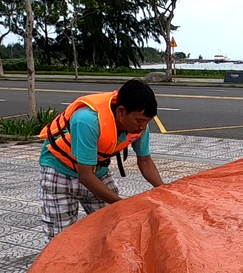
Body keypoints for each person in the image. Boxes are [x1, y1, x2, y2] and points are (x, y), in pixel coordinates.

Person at [38, 79, 165, 240]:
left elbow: (145, 161)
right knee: (60, 239)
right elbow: (85, 176)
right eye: (140, 121)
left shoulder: (140, 126)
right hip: (60, 171)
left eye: (147, 122)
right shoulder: (88, 120)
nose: (143, 127)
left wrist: (165, 189)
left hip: (97, 171)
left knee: (113, 231)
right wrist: (122, 203)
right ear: (121, 111)